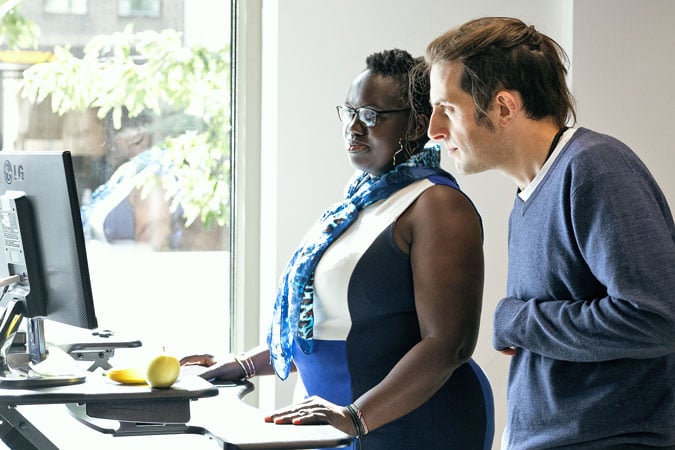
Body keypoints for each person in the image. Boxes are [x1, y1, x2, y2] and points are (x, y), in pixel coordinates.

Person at [181, 49, 494, 449]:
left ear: (418, 124)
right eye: (349, 112)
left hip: (413, 427)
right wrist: (244, 364)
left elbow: (450, 344)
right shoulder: (358, 203)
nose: (353, 128)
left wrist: (355, 416)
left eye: (371, 116)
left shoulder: (439, 205)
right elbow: (329, 328)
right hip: (340, 423)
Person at [425, 16, 675, 449]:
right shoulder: (528, 194)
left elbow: (656, 318)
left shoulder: (595, 168)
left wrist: (518, 320)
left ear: (503, 107)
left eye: (447, 108)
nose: (434, 129)